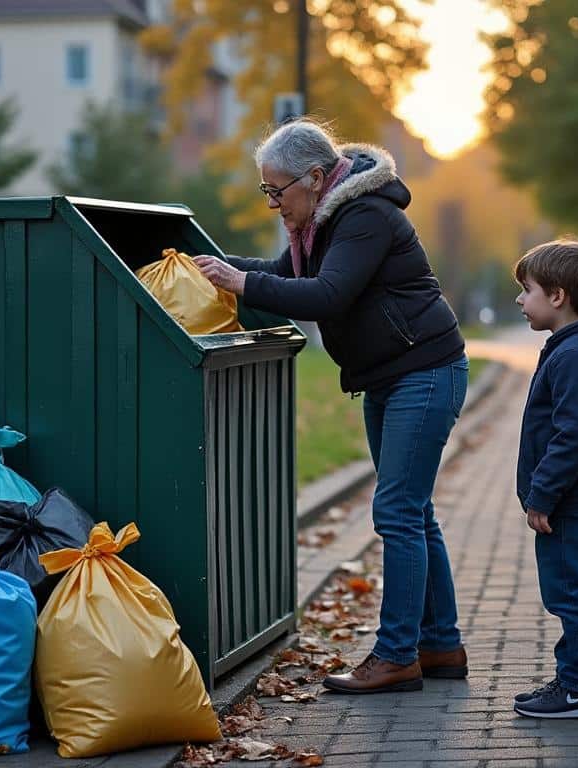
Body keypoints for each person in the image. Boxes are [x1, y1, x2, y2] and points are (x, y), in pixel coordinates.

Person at [194, 119, 468, 694]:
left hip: (424, 371)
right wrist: (218, 270)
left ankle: (397, 655)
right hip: (393, 375)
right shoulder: (325, 221)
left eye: (277, 191)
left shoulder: (365, 215)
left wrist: (241, 284)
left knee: (396, 512)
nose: (272, 204)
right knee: (414, 513)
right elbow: (287, 273)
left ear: (316, 179)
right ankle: (440, 645)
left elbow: (326, 294)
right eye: (265, 192)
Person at [509, 239, 578, 719]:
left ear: (557, 296)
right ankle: (575, 679)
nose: (519, 299)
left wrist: (543, 495)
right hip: (568, 501)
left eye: (526, 290)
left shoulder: (574, 357)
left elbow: (574, 437)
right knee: (565, 591)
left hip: (570, 503)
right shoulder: (568, 348)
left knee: (569, 595)